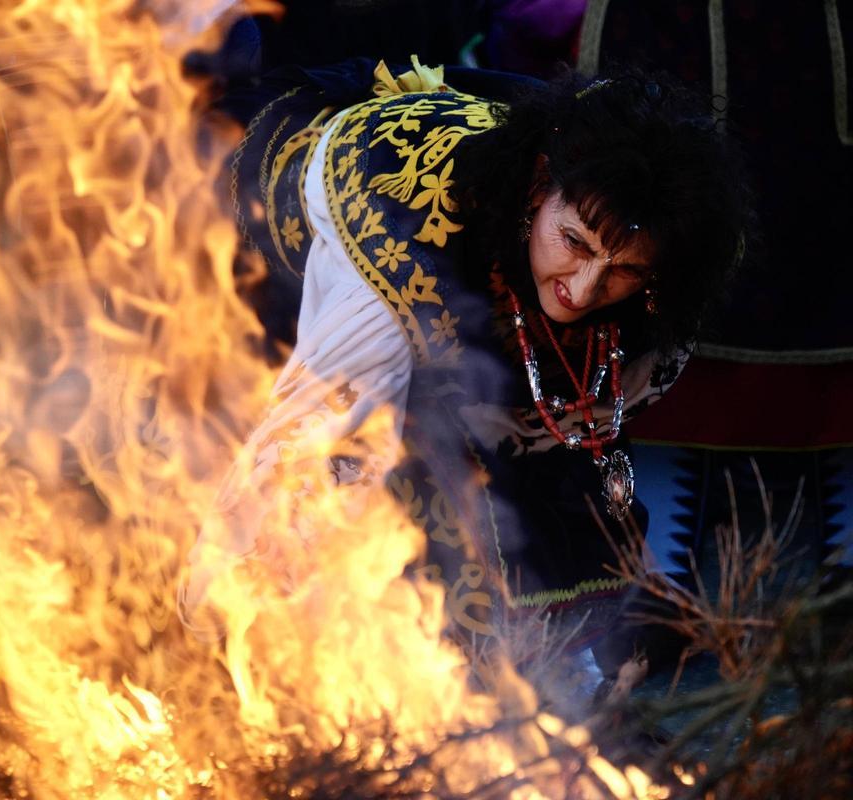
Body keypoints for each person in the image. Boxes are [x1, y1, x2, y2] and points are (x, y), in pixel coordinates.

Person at [183, 57, 750, 677]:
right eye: (575, 244)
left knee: (539, 506)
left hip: (471, 311)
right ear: (536, 193)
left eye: (624, 270)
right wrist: (232, 616)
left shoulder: (659, 306)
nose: (585, 289)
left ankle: (533, 690)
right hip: (261, 257)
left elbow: (571, 438)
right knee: (363, 496)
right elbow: (314, 446)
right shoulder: (404, 251)